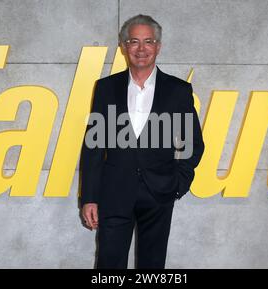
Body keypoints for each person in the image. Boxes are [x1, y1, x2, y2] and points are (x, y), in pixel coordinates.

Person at [80, 14, 204, 269]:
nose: (141, 49)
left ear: (158, 46)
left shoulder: (178, 90)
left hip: (159, 192)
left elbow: (193, 142)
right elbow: (93, 145)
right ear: (124, 46)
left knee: (152, 265)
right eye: (134, 41)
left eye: (148, 41)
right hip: (113, 193)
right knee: (108, 264)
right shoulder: (105, 88)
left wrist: (179, 182)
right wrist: (89, 197)